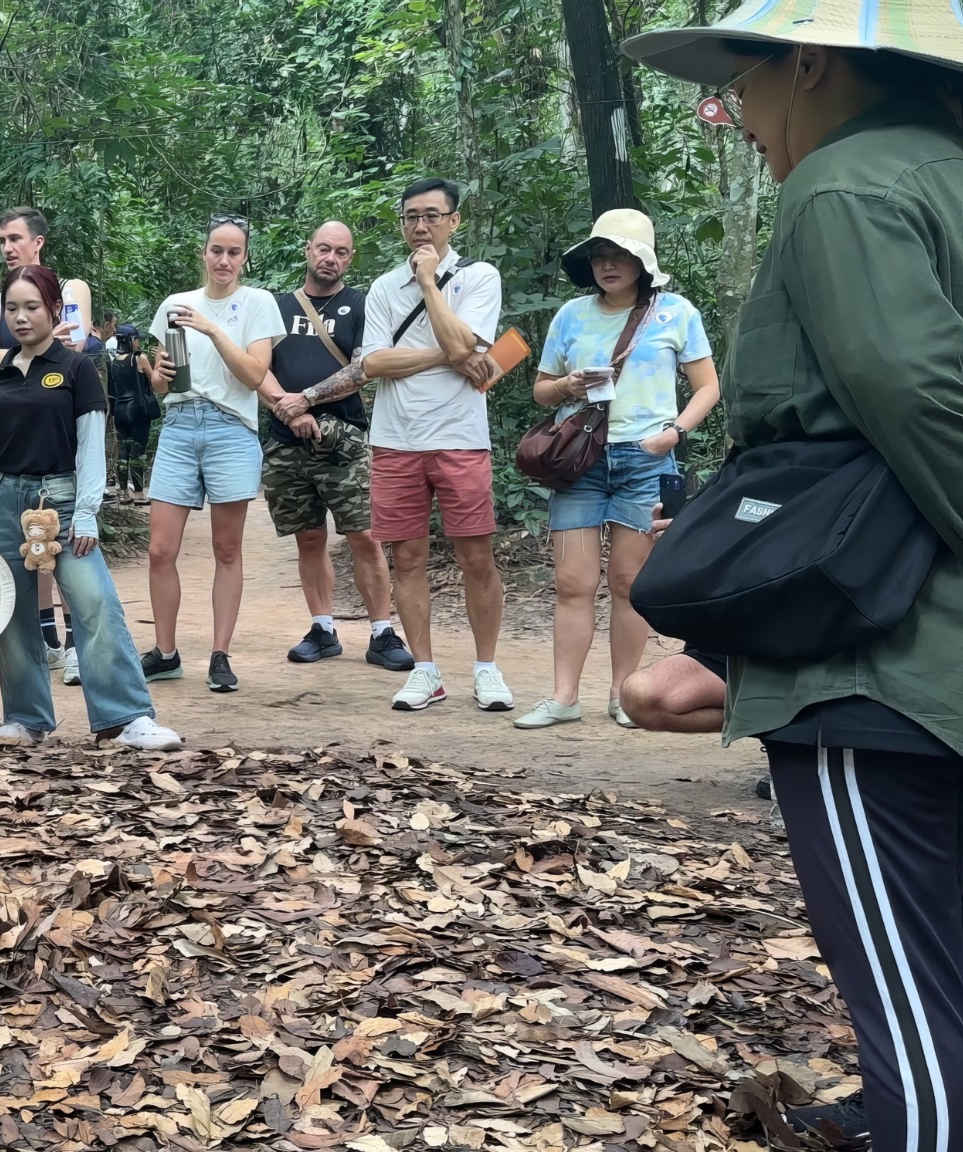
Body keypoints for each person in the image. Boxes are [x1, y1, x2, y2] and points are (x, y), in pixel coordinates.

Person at [625, 7, 963, 1145]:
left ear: (809, 62)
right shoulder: (946, 176)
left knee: (919, 1047)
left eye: (739, 86)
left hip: (877, 677)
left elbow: (911, 389)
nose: (733, 120)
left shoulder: (841, 188)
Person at [0, 265, 182, 752]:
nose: (22, 317)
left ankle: (126, 717)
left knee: (93, 601)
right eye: (12, 308)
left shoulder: (76, 370)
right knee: (9, 612)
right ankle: (26, 719)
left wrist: (88, 511)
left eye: (32, 307)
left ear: (54, 309)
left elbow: (91, 446)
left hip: (63, 501)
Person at [514, 210, 721, 731]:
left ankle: (622, 695)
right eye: (600, 256)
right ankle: (563, 697)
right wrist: (569, 387)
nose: (608, 265)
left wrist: (674, 432)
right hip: (580, 460)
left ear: (642, 262)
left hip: (644, 460)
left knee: (629, 582)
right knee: (572, 581)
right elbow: (541, 388)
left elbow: (708, 387)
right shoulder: (571, 315)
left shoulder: (675, 313)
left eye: (620, 255)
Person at [360, 179, 512, 714]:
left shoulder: (478, 277)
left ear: (455, 220)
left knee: (476, 555)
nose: (419, 226)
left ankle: (487, 669)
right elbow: (373, 363)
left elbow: (464, 342)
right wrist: (448, 355)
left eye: (431, 215)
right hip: (395, 439)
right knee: (407, 557)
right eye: (410, 217)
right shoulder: (381, 287)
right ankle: (425, 671)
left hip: (459, 438)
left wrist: (428, 282)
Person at [143, 215, 284, 693]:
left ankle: (220, 655)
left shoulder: (257, 304)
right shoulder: (174, 305)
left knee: (227, 549)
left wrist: (213, 329)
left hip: (231, 429)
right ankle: (165, 653)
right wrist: (156, 373)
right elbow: (166, 382)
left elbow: (254, 374)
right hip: (180, 426)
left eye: (234, 252)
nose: (224, 260)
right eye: (216, 250)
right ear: (203, 252)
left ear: (245, 257)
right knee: (161, 549)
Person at [263, 221, 412, 673]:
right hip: (285, 441)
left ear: (351, 258)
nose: (330, 258)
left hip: (344, 439)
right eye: (323, 249)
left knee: (364, 536)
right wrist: (290, 412)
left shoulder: (362, 306)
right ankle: (322, 628)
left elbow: (366, 367)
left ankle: (382, 633)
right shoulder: (276, 306)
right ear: (308, 250)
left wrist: (308, 402)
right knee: (309, 538)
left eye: (341, 252)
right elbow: (254, 367)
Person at [0, 207, 93, 674]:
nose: (6, 246)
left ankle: (78, 644)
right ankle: (45, 638)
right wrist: (35, 344)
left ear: (38, 242)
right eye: (2, 239)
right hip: (11, 436)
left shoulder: (72, 288)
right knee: (28, 549)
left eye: (15, 238)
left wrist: (23, 350)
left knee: (66, 550)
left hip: (64, 427)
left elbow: (74, 346)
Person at [105, 322, 156, 504]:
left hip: (120, 411)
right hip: (138, 411)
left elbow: (112, 390)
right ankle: (140, 494)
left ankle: (123, 493)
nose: (138, 342)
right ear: (130, 340)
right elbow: (154, 379)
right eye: (136, 339)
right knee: (137, 451)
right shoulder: (139, 359)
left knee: (123, 452)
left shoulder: (114, 361)